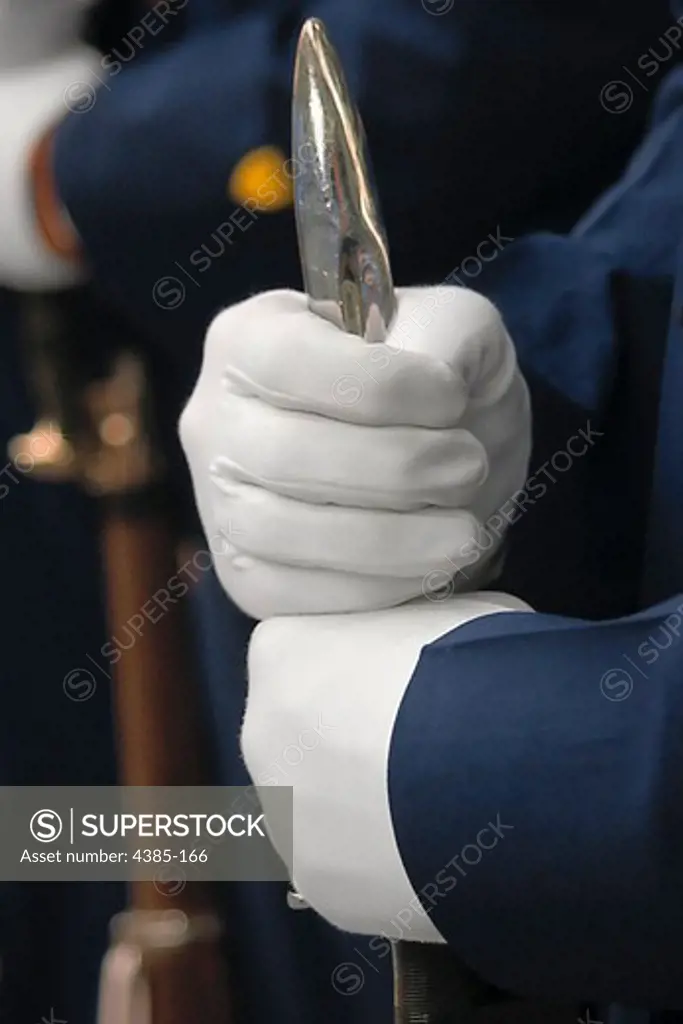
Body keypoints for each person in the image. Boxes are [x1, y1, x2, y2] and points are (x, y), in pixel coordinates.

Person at [1, 1, 678, 1022]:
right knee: (63, 845)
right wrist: (535, 413)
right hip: (283, 466)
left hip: (232, 257)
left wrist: (88, 166)